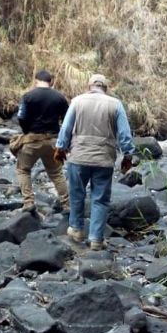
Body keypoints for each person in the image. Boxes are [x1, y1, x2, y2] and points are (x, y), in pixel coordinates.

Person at [55, 74, 136, 251]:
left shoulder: (77, 101)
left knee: (77, 194)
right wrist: (128, 155)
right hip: (104, 159)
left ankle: (76, 229)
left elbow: (66, 128)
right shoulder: (115, 104)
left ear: (89, 86)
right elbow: (124, 134)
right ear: (105, 88)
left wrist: (60, 148)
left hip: (78, 156)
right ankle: (96, 240)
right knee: (100, 199)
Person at [14, 70, 70, 213]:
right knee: (57, 173)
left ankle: (28, 202)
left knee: (23, 170)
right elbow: (67, 121)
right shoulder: (60, 98)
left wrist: (26, 131)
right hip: (52, 141)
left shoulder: (28, 96)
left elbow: (21, 117)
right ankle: (66, 204)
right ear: (50, 82)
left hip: (32, 139)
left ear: (36, 80)